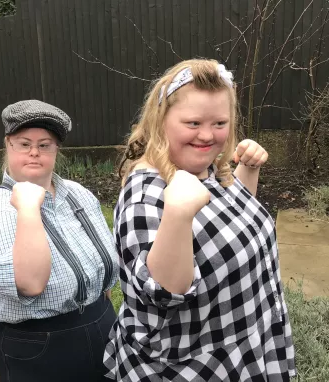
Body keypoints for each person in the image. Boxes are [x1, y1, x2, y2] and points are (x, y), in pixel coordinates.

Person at [104, 59, 296, 381]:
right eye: (193, 123)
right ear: (160, 120)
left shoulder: (204, 169)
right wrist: (177, 214)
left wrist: (246, 171)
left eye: (220, 123)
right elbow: (164, 291)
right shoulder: (146, 194)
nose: (207, 136)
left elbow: (226, 231)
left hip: (244, 343)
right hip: (190, 369)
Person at [0, 100, 120, 382]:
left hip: (100, 326)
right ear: (8, 145)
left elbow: (104, 265)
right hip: (38, 346)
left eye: (45, 145)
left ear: (56, 150)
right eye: (24, 143)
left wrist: (100, 306)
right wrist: (28, 209)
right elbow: (30, 284)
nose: (34, 153)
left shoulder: (78, 195)